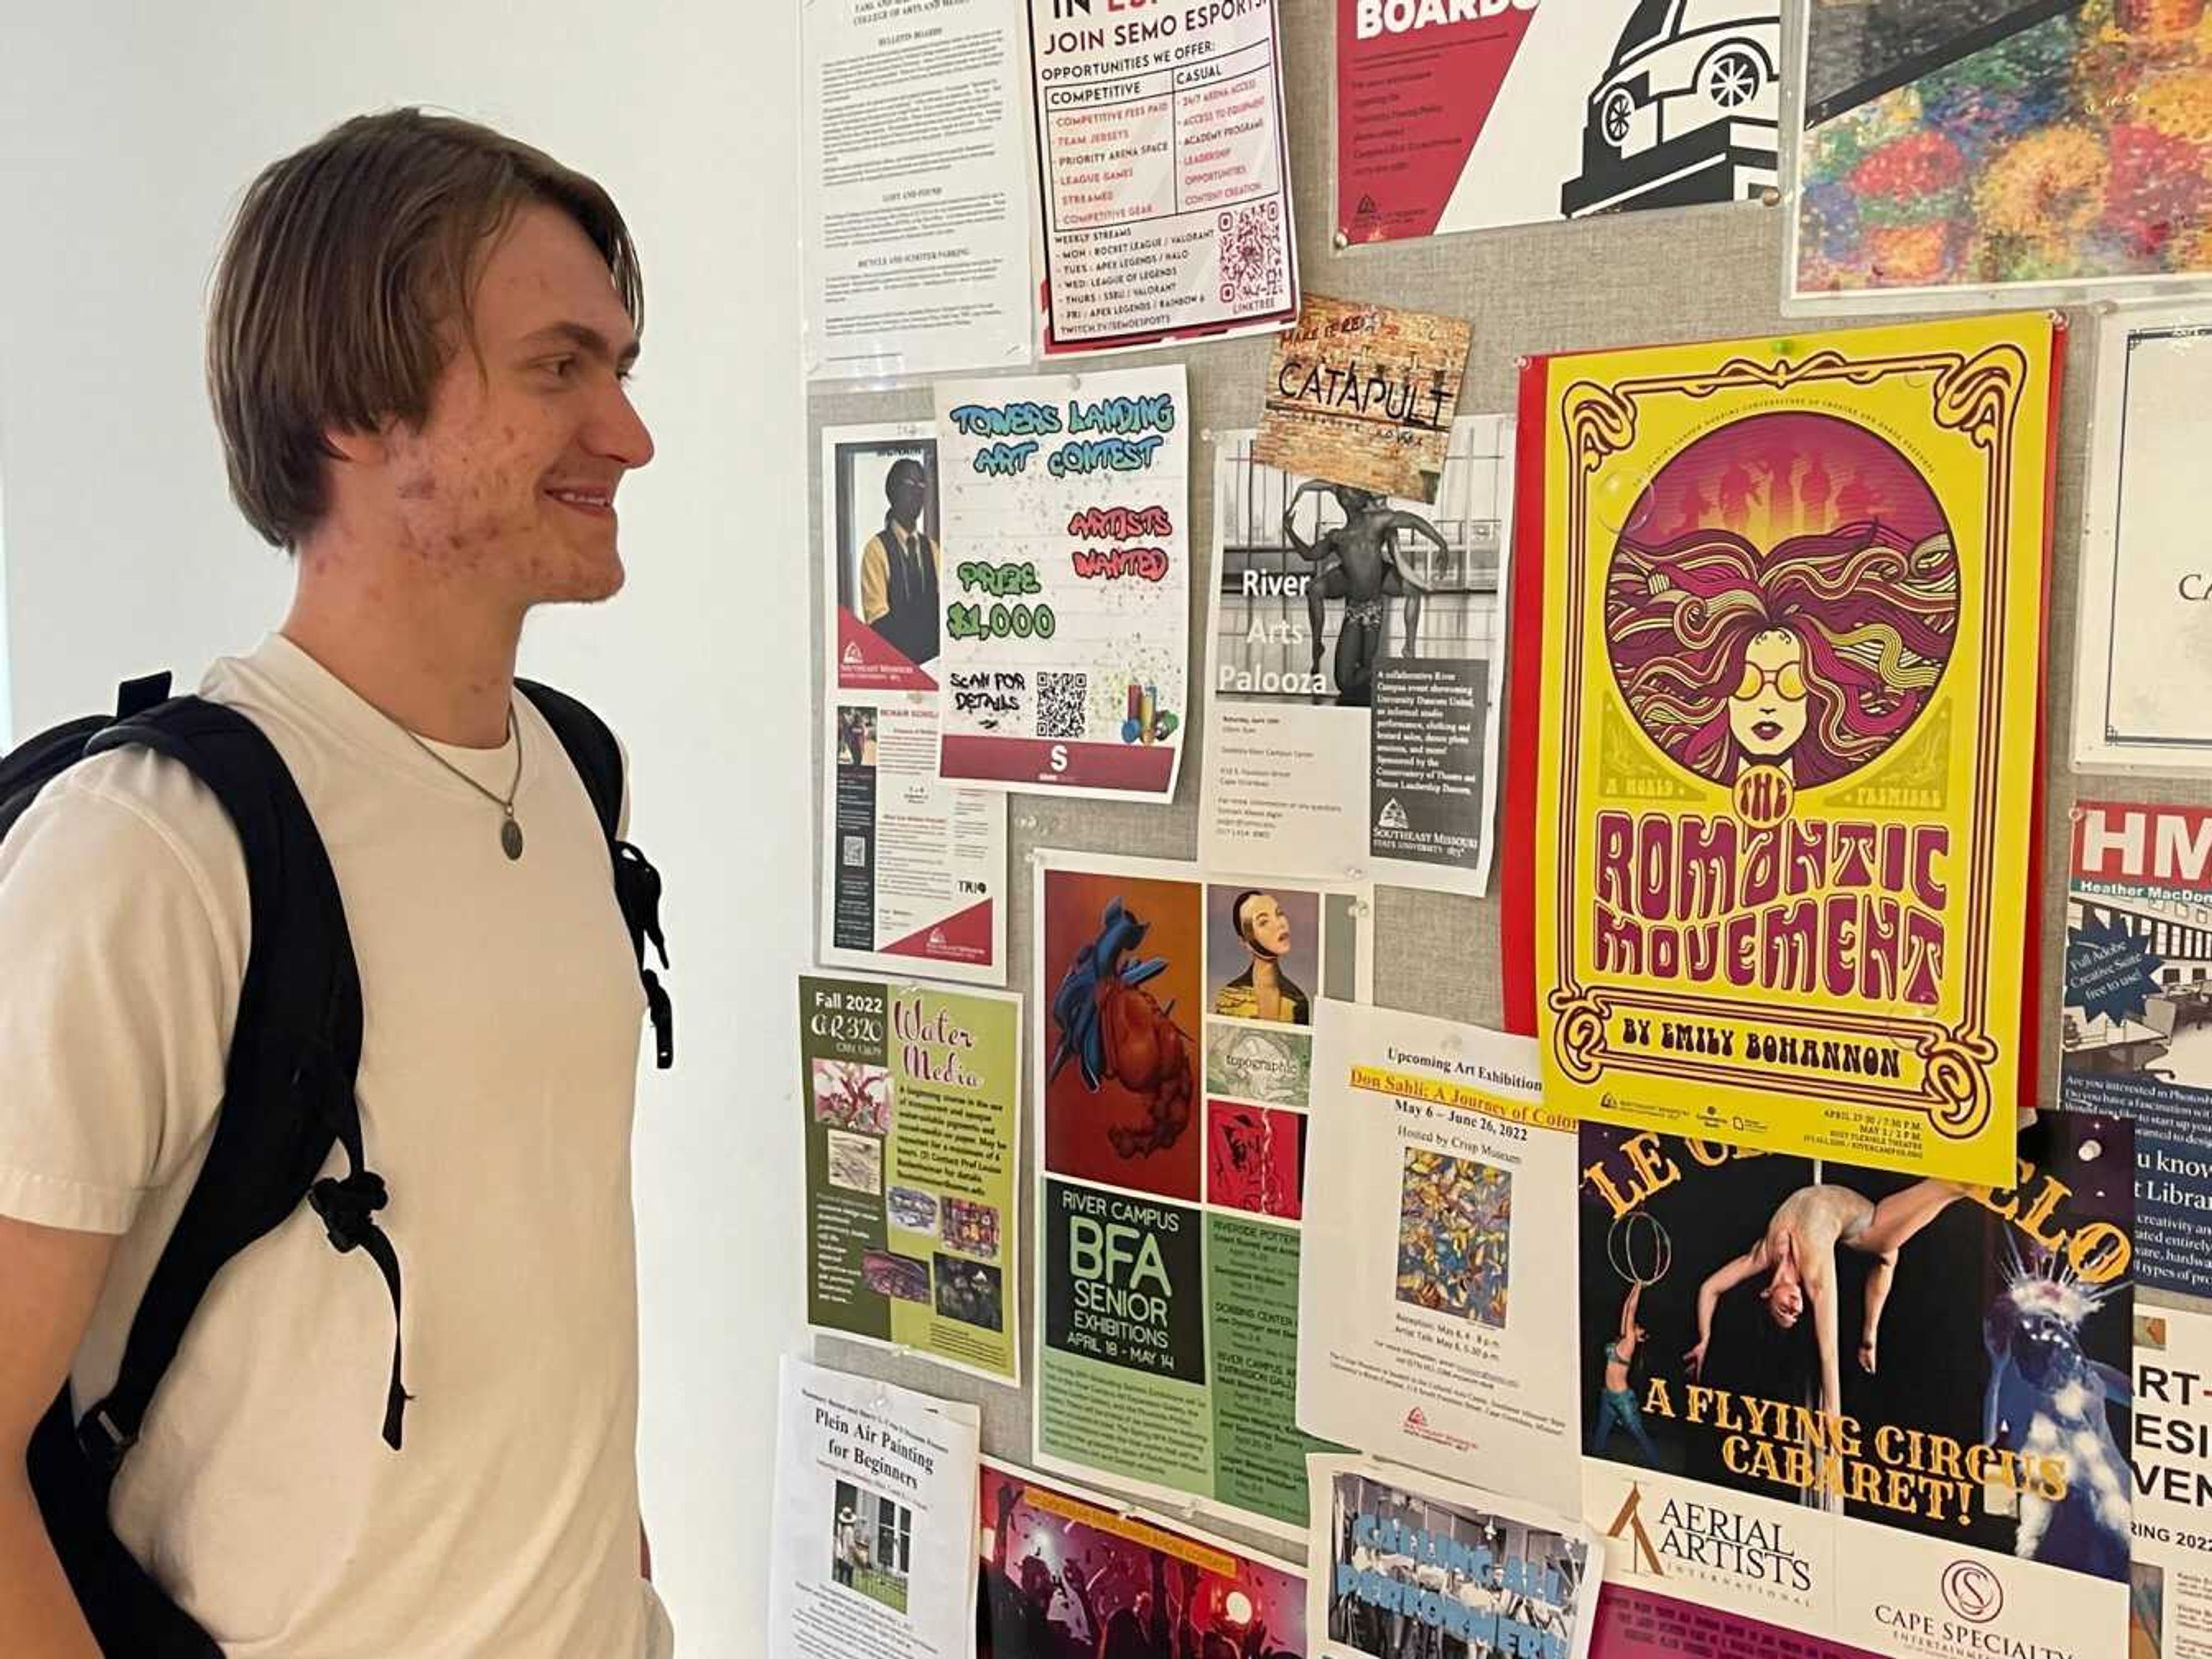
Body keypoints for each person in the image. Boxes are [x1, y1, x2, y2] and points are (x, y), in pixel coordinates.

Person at [0, 111, 672, 1654]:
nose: (629, 433)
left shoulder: (582, 779)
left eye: (621, 369)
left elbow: (532, 1266)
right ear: (355, 411)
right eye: (560, 368)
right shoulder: (160, 849)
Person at [1684, 1177, 1973, 1426]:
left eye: (1784, 1310)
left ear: (1766, 1294)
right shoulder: (1815, 1273)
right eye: (1796, 1314)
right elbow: (1829, 1353)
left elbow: (1710, 1288)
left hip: (1864, 1219)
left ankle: (1869, 1338)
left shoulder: (1762, 1254)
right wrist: (1834, 1415)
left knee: (1888, 1254)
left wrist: (1704, 1340)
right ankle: (1869, 1338)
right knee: (1937, 1203)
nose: (1796, 1308)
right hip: (1863, 1226)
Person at [1282, 480, 1446, 707]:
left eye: (1350, 493)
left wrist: (1442, 543)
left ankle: (1400, 659)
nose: (1345, 497)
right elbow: (1310, 554)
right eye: (1342, 495)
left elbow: (1414, 522)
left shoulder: (1376, 521)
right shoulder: (1337, 536)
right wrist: (1290, 530)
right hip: (1354, 610)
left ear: (1361, 500)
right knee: (1344, 682)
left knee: (1367, 662)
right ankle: (1370, 667)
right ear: (1341, 502)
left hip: (1373, 610)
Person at [858, 456, 941, 666]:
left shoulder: (932, 549)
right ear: (892, 491)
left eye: (922, 486)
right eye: (910, 485)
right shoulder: (876, 550)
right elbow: (878, 623)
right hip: (895, 668)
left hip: (934, 666)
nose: (918, 492)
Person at [1591, 1280, 1663, 1464]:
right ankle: (1595, 1461)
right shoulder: (1623, 1338)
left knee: (1640, 1435)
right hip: (1608, 1396)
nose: (1636, 1326)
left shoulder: (1630, 1344)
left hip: (1623, 1399)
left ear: (1639, 1338)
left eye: (1639, 1329)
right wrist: (1635, 1286)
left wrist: (1639, 1288)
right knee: (1601, 1433)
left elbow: (1632, 1311)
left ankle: (1658, 1464)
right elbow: (1626, 1308)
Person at [1213, 891, 1310, 1024]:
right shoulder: (1230, 998)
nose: (1280, 924)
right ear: (1245, 941)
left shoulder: (1298, 1000)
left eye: (1279, 914)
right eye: (1263, 922)